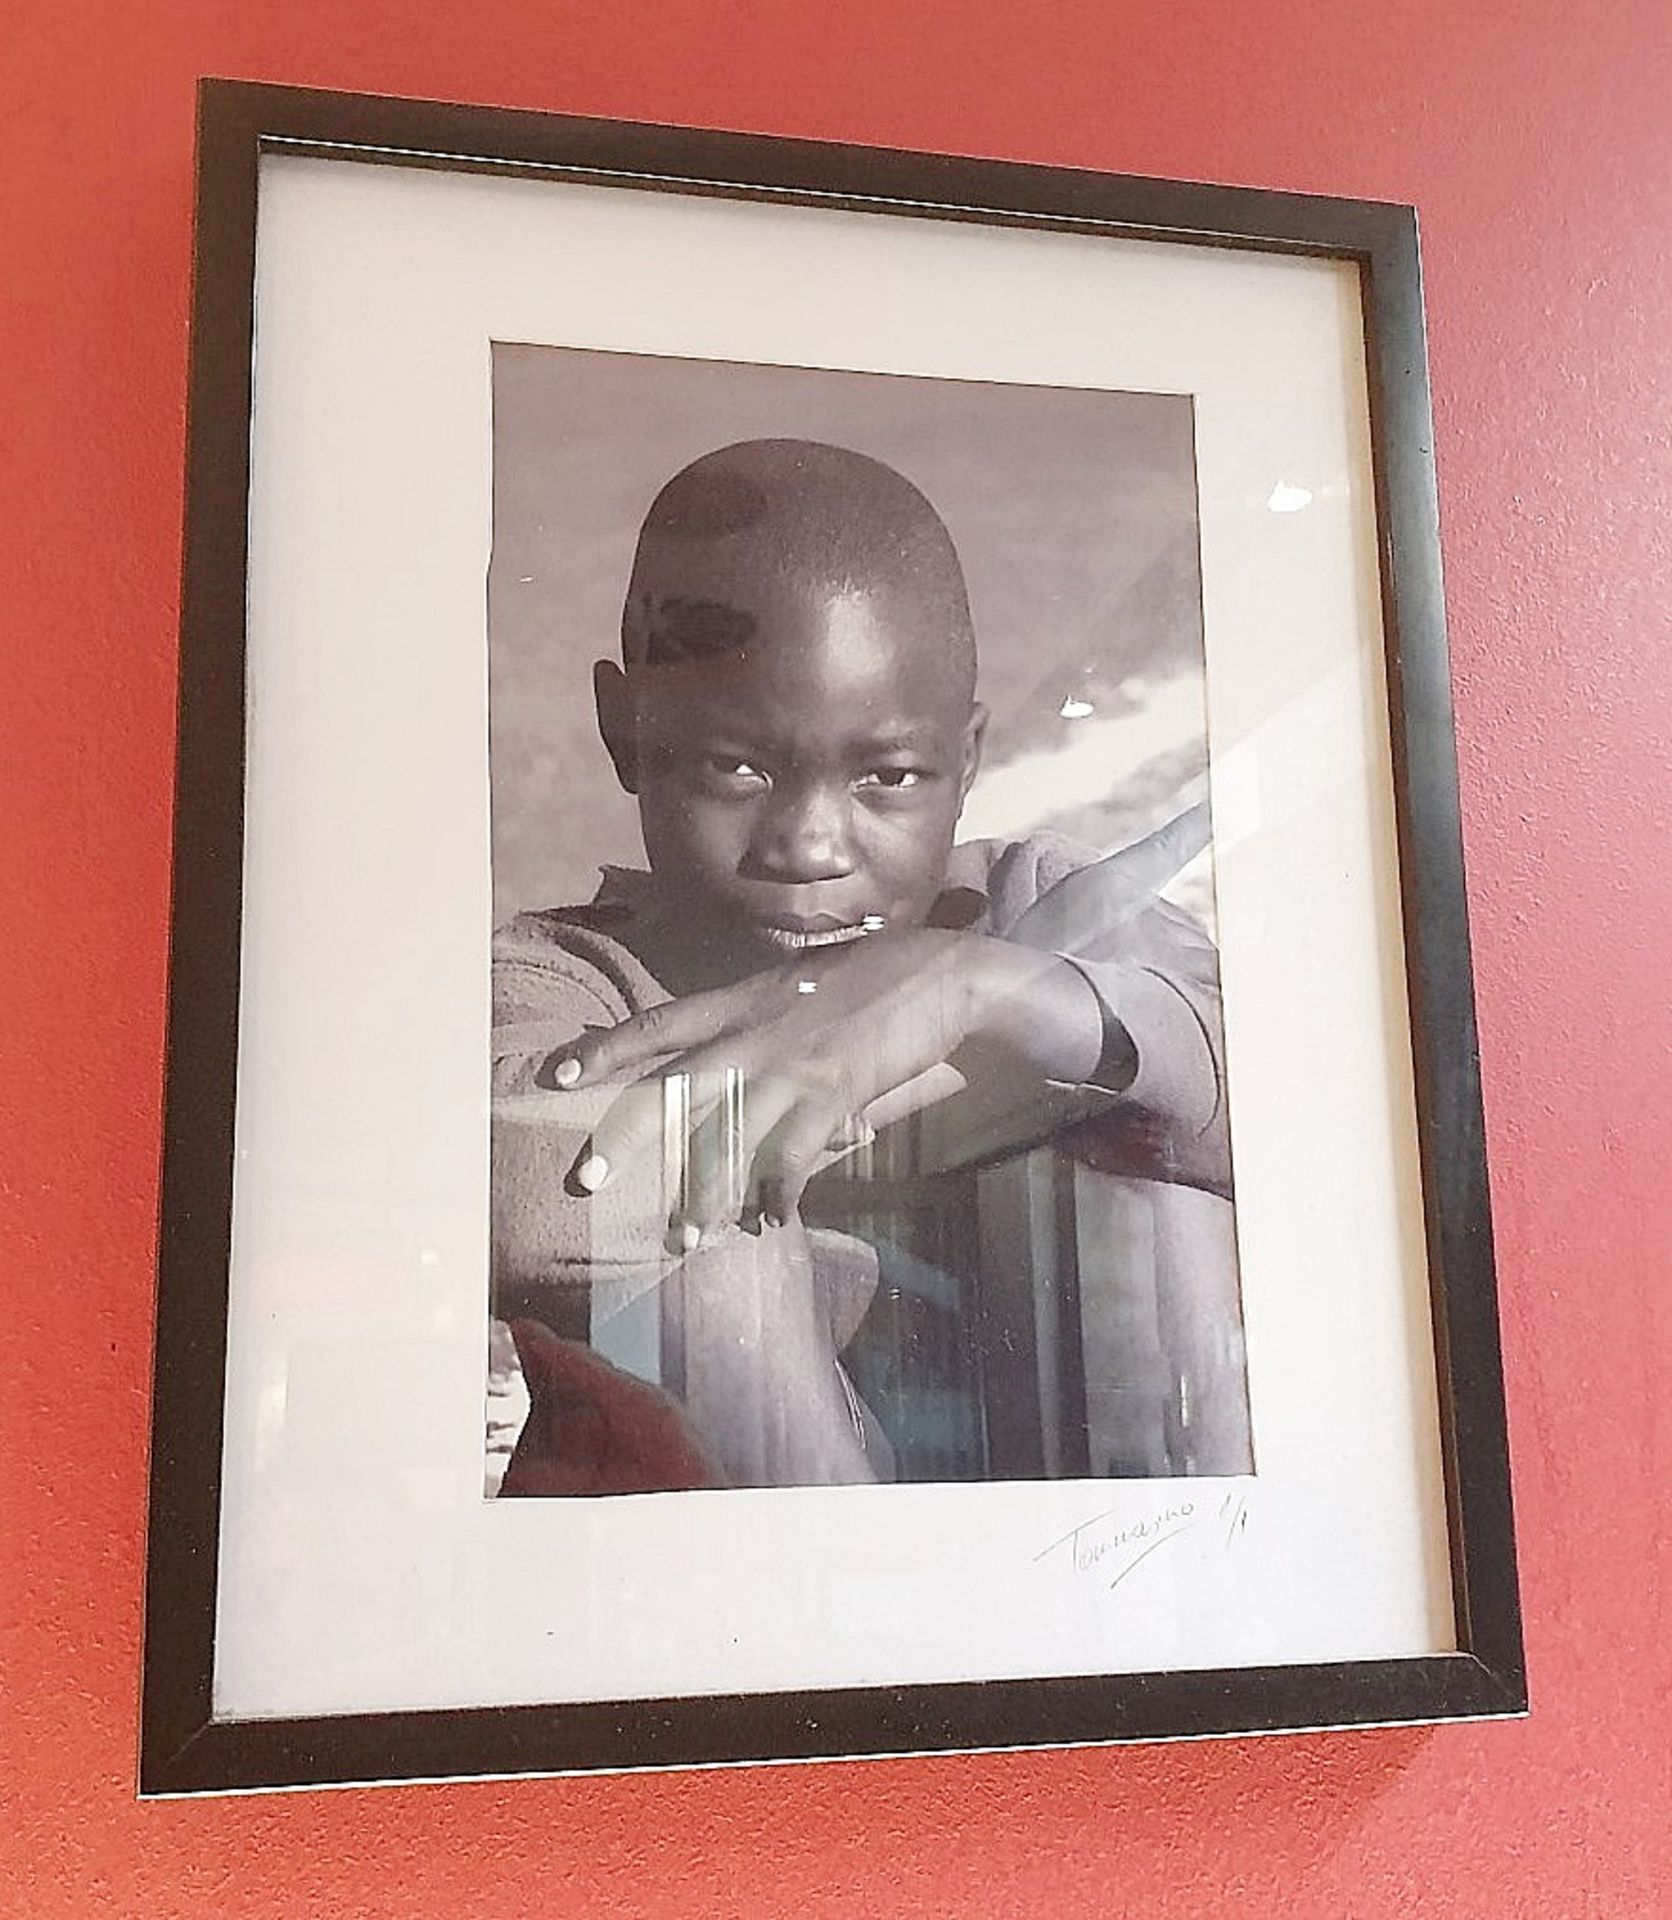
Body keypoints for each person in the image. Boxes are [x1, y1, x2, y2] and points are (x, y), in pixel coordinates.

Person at [490, 438, 1245, 1495]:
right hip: (737, 1613)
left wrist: (960, 986)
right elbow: (535, 1193)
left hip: (1078, 1554)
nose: (808, 847)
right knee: (716, 1255)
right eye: (735, 766)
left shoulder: (1028, 904)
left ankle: (1193, 1613)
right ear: (627, 730)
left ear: (967, 760)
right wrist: (889, 1052)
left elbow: (1309, 1126)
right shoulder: (564, 979)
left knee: (1150, 1156)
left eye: (888, 776)